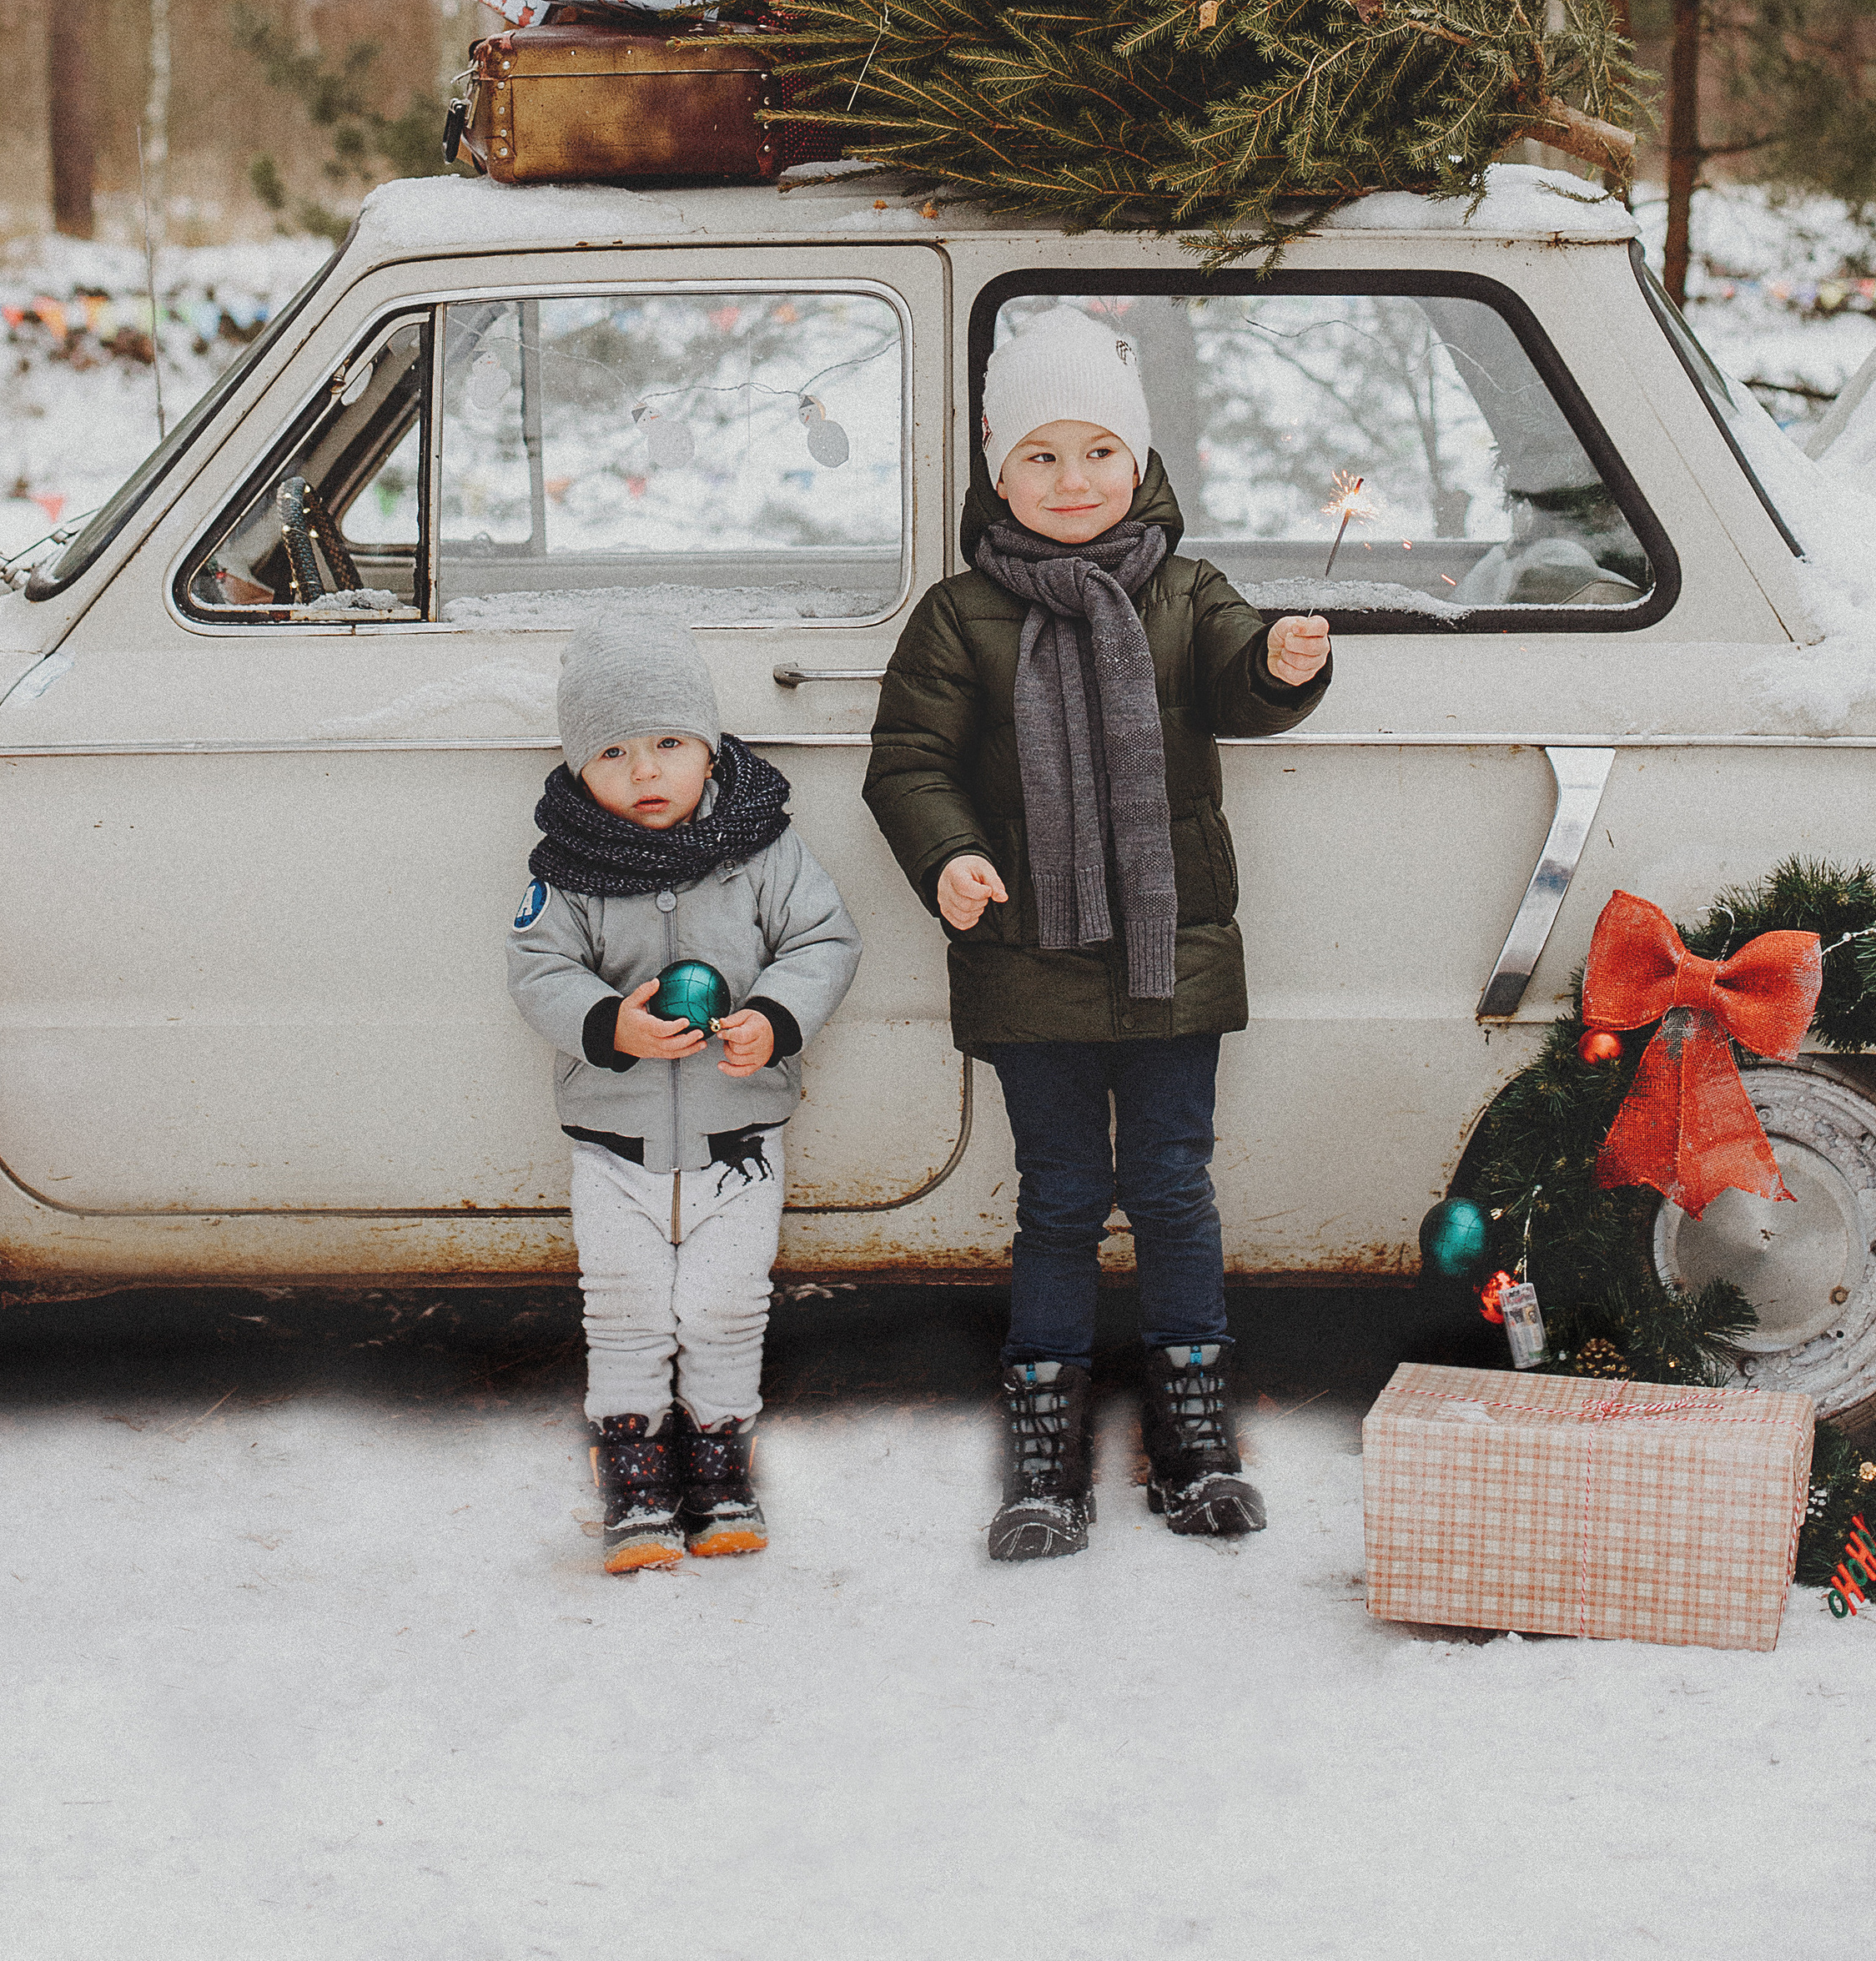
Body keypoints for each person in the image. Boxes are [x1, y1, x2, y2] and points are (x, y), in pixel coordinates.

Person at [863, 308, 1332, 1562]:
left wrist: (1282, 662)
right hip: (1032, 958)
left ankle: (1195, 1437)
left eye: (1098, 453)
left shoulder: (1188, 589)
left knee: (1176, 1188)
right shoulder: (962, 615)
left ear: (1140, 460)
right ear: (997, 471)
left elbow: (1238, 675)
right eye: (1041, 456)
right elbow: (908, 758)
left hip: (1172, 953)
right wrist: (952, 853)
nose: (1073, 481)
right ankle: (1046, 1450)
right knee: (1062, 1197)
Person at [510, 620, 861, 1575]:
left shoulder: (763, 850)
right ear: (581, 769)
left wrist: (775, 1017)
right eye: (613, 752)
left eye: (669, 742)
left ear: (709, 746)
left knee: (723, 1305)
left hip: (734, 1139)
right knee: (622, 1308)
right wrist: (607, 1023)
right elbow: (536, 969)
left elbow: (823, 942)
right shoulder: (566, 869)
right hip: (612, 1142)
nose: (645, 770)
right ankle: (634, 1472)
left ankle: (717, 1460)